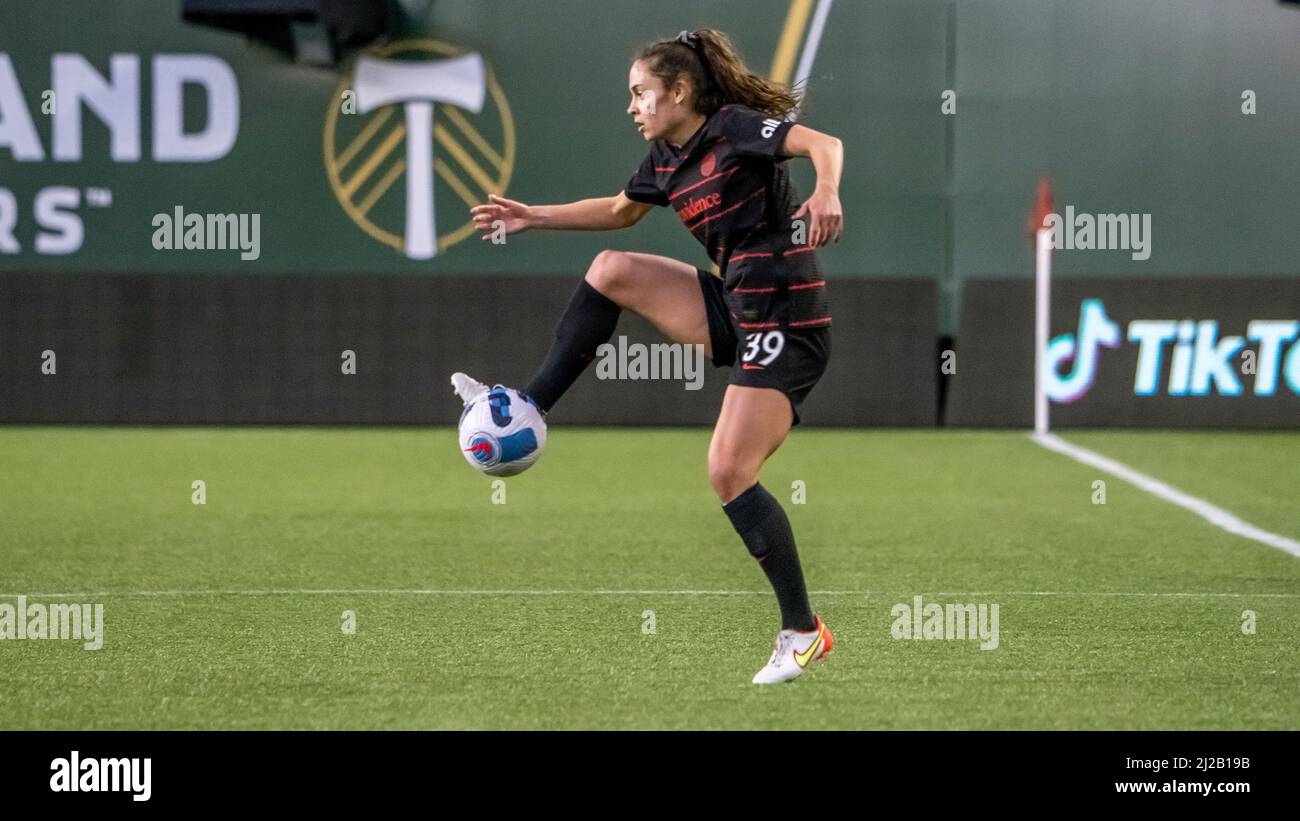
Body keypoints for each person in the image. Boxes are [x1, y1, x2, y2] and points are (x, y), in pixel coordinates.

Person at [457, 28, 844, 684]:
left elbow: (822, 144)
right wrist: (533, 215)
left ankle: (803, 632)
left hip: (785, 313)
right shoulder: (666, 159)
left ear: (681, 91)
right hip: (736, 306)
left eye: (641, 93)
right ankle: (529, 405)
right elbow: (616, 211)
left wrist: (826, 189)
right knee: (611, 269)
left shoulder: (734, 127)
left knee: (728, 470)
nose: (632, 106)